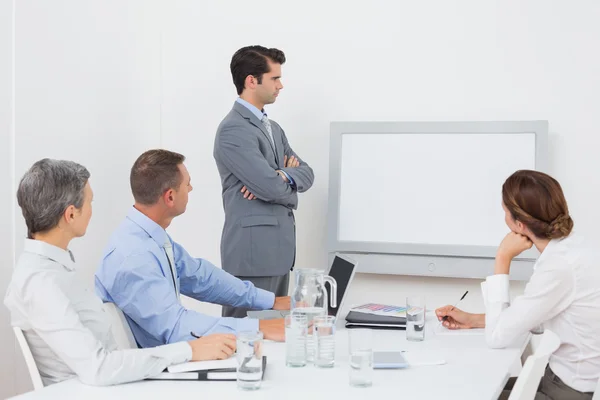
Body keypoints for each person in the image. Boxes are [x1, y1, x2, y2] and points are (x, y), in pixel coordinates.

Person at [4, 159, 236, 386]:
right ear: (71, 214)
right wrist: (188, 350)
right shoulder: (40, 282)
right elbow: (99, 368)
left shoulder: (53, 269)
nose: (92, 212)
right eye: (90, 202)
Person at [95, 149, 287, 349]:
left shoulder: (149, 237)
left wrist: (270, 301)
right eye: (187, 184)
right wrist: (259, 327)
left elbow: (199, 277)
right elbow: (177, 327)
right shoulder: (133, 256)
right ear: (170, 197)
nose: (191, 188)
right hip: (155, 369)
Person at [435, 170, 600, 399]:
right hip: (563, 381)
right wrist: (474, 320)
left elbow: (497, 338)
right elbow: (536, 319)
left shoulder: (558, 267)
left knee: (465, 390)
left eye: (505, 213)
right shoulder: (575, 249)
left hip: (569, 392)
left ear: (520, 225)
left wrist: (502, 257)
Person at [214, 45, 314, 318]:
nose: (281, 85)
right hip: (252, 257)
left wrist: (283, 175)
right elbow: (270, 187)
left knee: (274, 338)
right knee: (242, 340)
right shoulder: (234, 129)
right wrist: (281, 183)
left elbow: (307, 173)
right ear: (251, 80)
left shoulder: (273, 128)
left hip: (278, 255)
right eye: (274, 78)